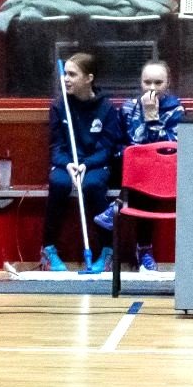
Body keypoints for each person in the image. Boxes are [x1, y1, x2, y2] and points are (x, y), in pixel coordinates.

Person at [97, 59, 184, 271]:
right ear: (140, 83)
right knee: (138, 172)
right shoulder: (128, 108)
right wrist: (133, 155)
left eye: (158, 82)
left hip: (165, 171)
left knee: (150, 171)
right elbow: (119, 142)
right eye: (147, 82)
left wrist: (152, 118)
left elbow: (170, 148)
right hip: (132, 169)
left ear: (168, 83)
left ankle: (119, 205)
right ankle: (144, 249)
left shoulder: (176, 109)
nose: (152, 88)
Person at [41, 52, 122, 275]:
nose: (66, 79)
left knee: (92, 185)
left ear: (89, 78)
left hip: (95, 163)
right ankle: (48, 249)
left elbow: (107, 147)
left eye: (72, 74)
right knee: (58, 183)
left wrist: (87, 164)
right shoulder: (60, 106)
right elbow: (56, 146)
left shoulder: (106, 108)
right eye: (65, 74)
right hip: (67, 163)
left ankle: (107, 251)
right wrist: (68, 164)